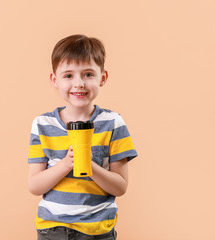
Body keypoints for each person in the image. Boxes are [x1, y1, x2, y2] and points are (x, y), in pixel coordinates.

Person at [28, 34, 138, 240]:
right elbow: (34, 186)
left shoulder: (113, 123)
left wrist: (88, 164)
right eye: (68, 76)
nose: (79, 83)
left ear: (102, 78)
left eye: (88, 74)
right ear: (55, 80)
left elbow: (120, 186)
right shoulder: (42, 124)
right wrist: (66, 164)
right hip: (53, 229)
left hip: (98, 230)